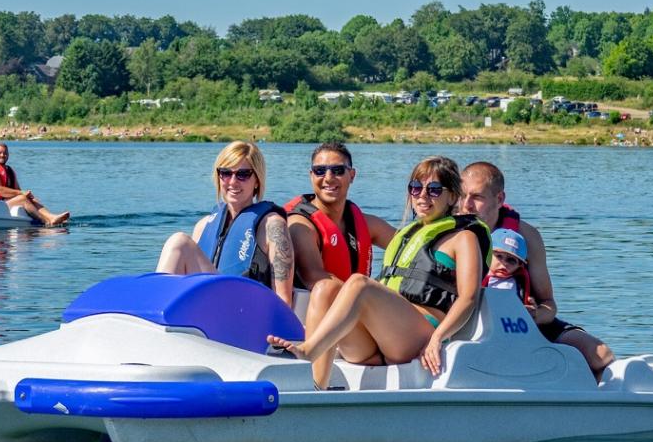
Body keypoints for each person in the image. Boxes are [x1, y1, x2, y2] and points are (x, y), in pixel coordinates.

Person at [268, 156, 489, 389]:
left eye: (433, 189)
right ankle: (315, 388)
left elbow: (468, 298)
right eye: (415, 188)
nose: (422, 196)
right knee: (325, 290)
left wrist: (437, 338)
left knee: (359, 283)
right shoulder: (407, 235)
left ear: (452, 196)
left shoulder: (464, 238)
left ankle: (307, 350)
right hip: (378, 339)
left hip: (417, 335)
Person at [459, 161, 614, 379]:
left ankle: (588, 397)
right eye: (462, 195)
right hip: (466, 320)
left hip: (521, 323)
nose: (466, 205)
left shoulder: (527, 237)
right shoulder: (451, 231)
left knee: (601, 356)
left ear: (499, 199)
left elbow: (549, 305)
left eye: (477, 197)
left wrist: (534, 315)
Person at [284, 141, 397, 379]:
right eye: (320, 171)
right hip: (321, 327)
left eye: (337, 170)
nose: (328, 178)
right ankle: (317, 385)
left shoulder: (364, 223)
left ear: (351, 175)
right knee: (327, 288)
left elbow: (410, 248)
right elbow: (316, 279)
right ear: (311, 175)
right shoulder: (301, 226)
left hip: (358, 328)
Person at [155, 140, 295, 306]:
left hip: (244, 311)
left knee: (179, 242)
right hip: (204, 308)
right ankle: (157, 310)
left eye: (243, 174)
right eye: (226, 173)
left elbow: (283, 300)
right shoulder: (203, 226)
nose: (233, 181)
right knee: (178, 243)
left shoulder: (272, 226)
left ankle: (156, 307)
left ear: (257, 180)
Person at [0, 143, 70, 226]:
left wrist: (26, 195)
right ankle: (47, 222)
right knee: (23, 199)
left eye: (5, 153)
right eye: (0, 153)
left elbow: (17, 190)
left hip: (4, 203)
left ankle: (51, 216)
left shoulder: (9, 170)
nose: (2, 155)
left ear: (8, 155)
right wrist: (21, 193)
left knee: (30, 198)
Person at [483, 228, 532, 302]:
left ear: (519, 265)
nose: (504, 263)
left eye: (511, 260)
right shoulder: (476, 275)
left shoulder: (516, 284)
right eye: (499, 256)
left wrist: (530, 308)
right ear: (488, 255)